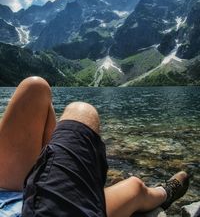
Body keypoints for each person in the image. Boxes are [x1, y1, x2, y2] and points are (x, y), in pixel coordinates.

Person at [0, 76, 189, 217]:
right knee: (82, 111)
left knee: (35, 88)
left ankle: (57, 179)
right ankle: (165, 193)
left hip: (5, 193)